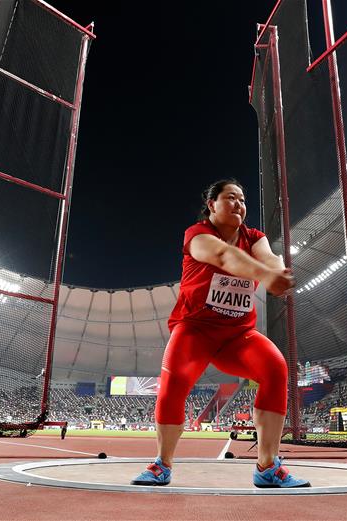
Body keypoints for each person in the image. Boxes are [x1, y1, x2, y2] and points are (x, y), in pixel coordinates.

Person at [132, 179, 309, 488]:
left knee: (275, 367)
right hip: (195, 331)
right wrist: (266, 275)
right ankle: (162, 464)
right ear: (211, 204)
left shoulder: (254, 237)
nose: (239, 204)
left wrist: (275, 269)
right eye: (231, 198)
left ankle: (267, 467)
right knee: (173, 382)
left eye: (242, 199)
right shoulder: (197, 234)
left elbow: (268, 257)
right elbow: (224, 257)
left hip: (236, 337)